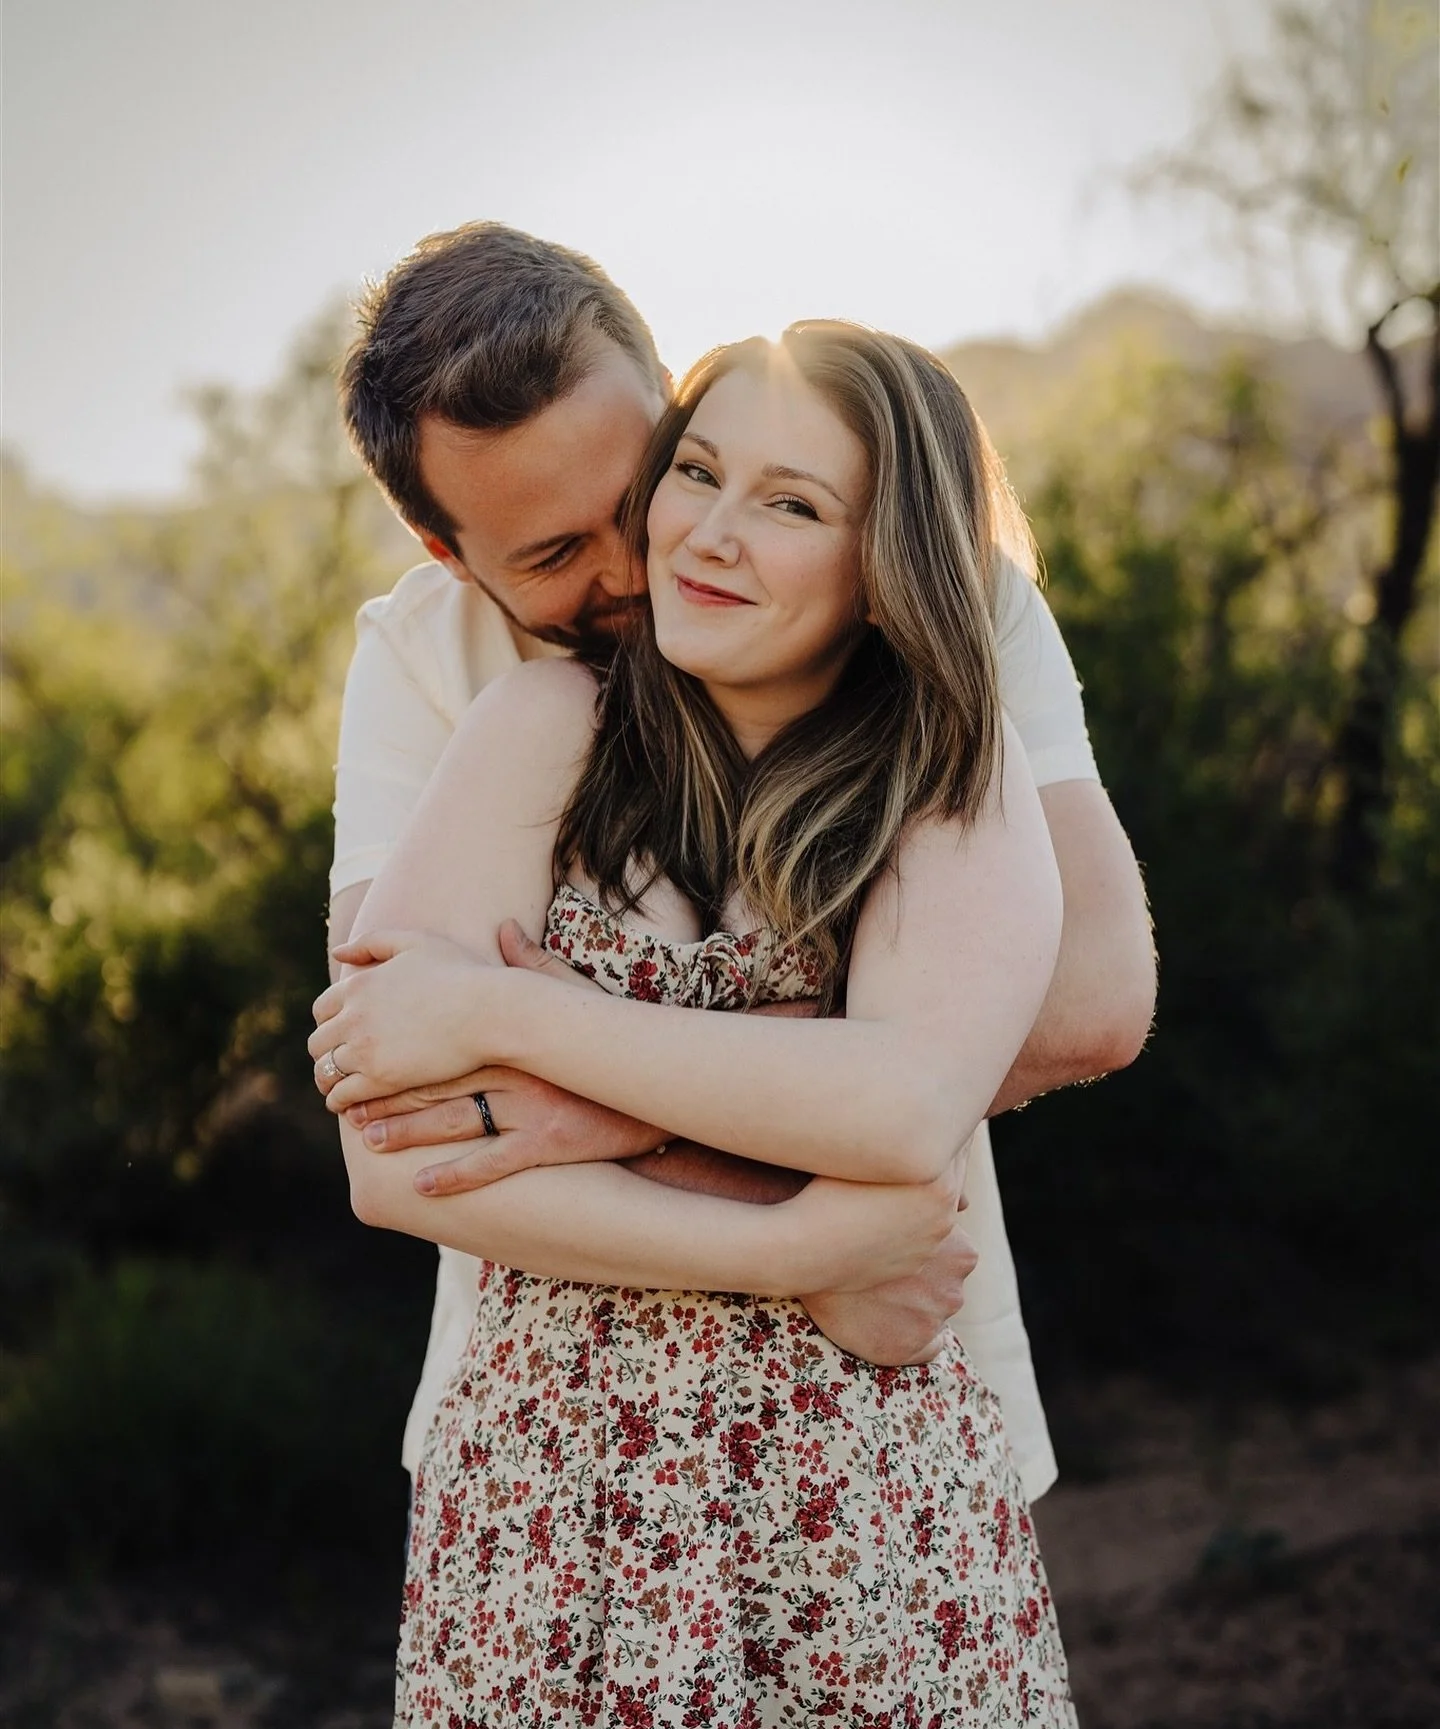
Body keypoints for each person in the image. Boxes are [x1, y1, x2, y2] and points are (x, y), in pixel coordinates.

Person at [313, 319, 1089, 1729]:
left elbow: (906, 1103)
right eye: (699, 475)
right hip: (553, 1500)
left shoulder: (944, 776)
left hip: (860, 1502)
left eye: (792, 506)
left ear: (890, 560)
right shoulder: (539, 723)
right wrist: (802, 1249)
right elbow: (388, 1159)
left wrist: (509, 1020)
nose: (704, 538)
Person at [325, 222, 1155, 1503]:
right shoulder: (425, 663)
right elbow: (394, 1114)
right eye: (552, 557)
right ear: (451, 554)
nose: (644, 568)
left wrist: (591, 1098)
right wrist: (805, 1204)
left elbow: (1093, 996)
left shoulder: (941, 593)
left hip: (898, 1391)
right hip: (555, 1463)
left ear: (670, 393)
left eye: (641, 487)